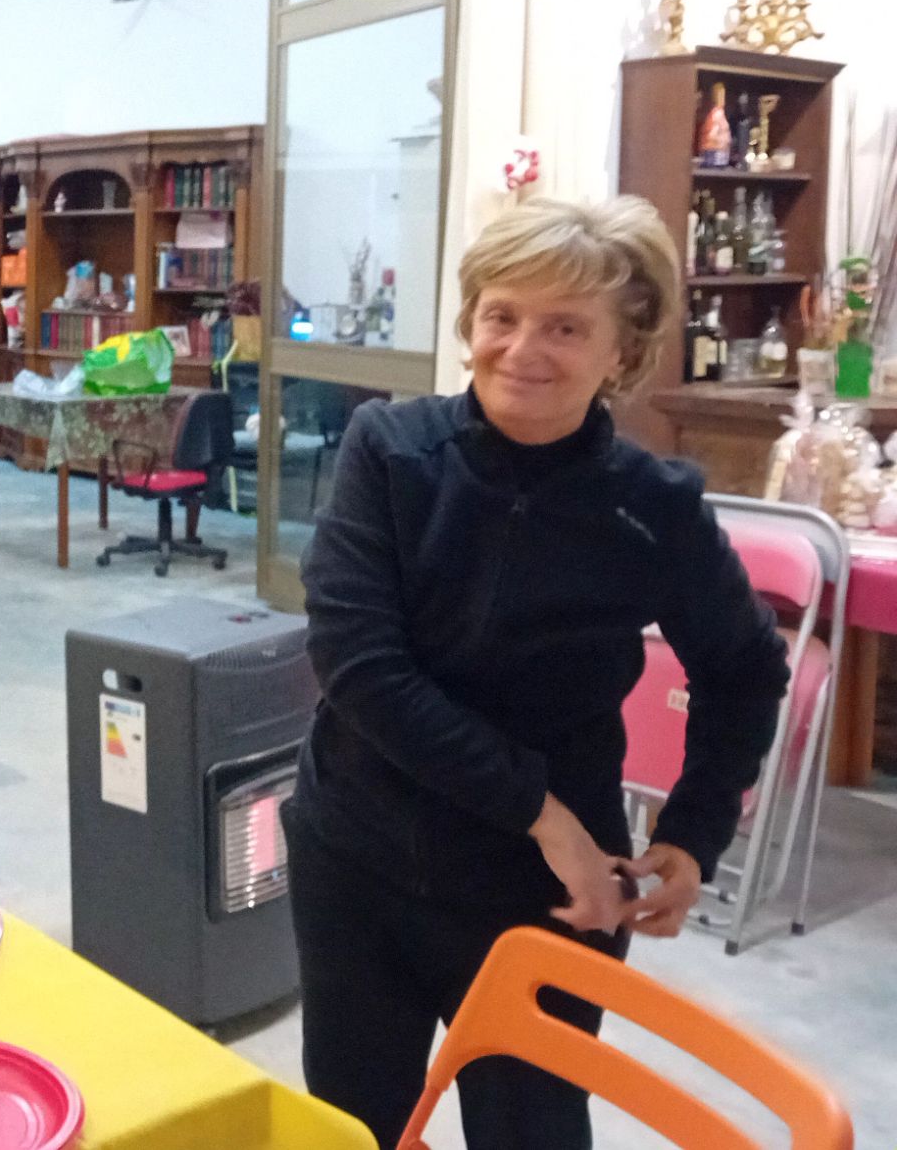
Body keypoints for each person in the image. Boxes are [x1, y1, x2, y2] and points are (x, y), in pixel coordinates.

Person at [286, 196, 790, 1150]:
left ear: (621, 353)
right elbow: (361, 667)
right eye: (501, 316)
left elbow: (745, 669)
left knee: (535, 1132)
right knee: (356, 1125)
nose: (522, 349)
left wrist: (692, 833)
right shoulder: (390, 452)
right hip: (361, 857)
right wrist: (545, 816)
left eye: (565, 327)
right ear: (470, 323)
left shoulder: (654, 507)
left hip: (546, 900)